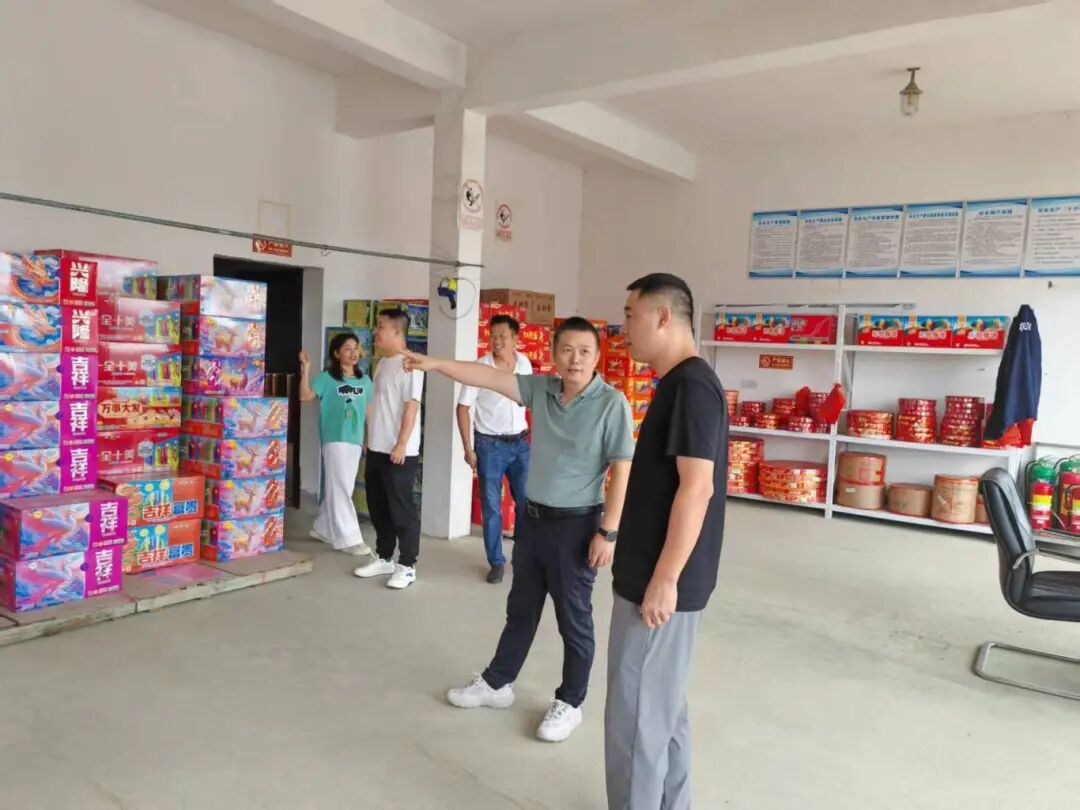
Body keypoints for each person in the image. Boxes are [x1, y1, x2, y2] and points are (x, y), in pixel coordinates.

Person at [404, 317, 634, 743]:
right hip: (533, 520)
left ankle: (570, 702)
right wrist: (434, 363)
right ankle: (498, 683)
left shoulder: (611, 403)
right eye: (566, 350)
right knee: (521, 608)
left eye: (584, 351)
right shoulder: (541, 389)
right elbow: (486, 377)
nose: (575, 359)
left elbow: (622, 469)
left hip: (577, 525)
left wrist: (608, 532)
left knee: (573, 619)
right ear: (553, 354)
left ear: (597, 357)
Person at [605, 274, 728, 810]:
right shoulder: (680, 384)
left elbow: (697, 489)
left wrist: (664, 579)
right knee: (662, 709)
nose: (623, 327)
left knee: (636, 719)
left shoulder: (691, 388)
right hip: (656, 577)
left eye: (630, 315)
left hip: (657, 586)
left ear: (662, 316)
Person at [457, 313, 532, 584]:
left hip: (521, 443)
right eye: (493, 336)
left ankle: (523, 556)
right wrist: (468, 448)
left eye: (503, 336)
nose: (497, 341)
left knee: (527, 503)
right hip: (490, 446)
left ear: (515, 338)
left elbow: (530, 400)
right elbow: (462, 408)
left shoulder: (524, 363)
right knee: (492, 508)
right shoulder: (480, 368)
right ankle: (496, 562)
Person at [352, 309, 425, 590]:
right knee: (378, 505)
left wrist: (402, 443)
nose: (376, 332)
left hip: (399, 450)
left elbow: (411, 406)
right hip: (377, 446)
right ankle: (384, 556)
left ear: (397, 331)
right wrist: (370, 437)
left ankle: (407, 565)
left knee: (401, 508)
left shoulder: (412, 364)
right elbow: (376, 404)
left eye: (381, 326)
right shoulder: (382, 363)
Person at [298, 333, 372, 557]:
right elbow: (305, 396)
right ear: (336, 353)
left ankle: (323, 528)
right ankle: (349, 538)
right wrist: (306, 370)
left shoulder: (365, 381)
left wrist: (369, 439)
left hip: (355, 440)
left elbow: (369, 412)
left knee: (344, 487)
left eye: (356, 348)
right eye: (347, 348)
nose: (353, 352)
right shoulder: (326, 378)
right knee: (340, 486)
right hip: (335, 439)